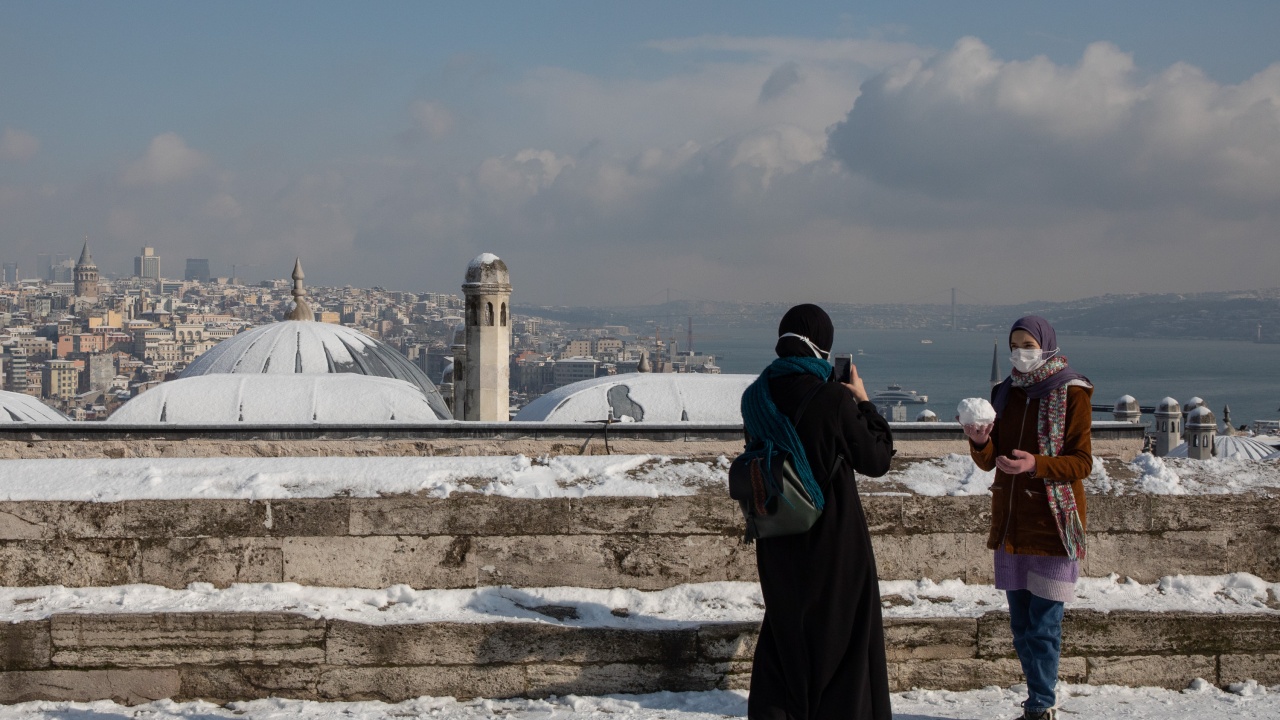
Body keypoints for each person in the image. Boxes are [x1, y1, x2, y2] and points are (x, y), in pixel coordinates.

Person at [743, 304, 896, 720]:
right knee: (842, 642)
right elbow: (878, 459)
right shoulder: (831, 397)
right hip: (834, 541)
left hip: (777, 539)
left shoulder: (756, 396)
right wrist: (863, 402)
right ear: (822, 346)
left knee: (786, 637)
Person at [960, 316, 1092, 720]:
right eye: (1015, 344)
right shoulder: (1004, 392)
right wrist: (980, 441)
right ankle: (1038, 699)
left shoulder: (1073, 393)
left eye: (1028, 344)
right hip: (1012, 526)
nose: (1021, 352)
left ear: (1046, 345)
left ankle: (1040, 705)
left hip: (1052, 526)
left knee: (1045, 626)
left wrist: (1037, 463)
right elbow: (989, 461)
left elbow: (1082, 462)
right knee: (1020, 625)